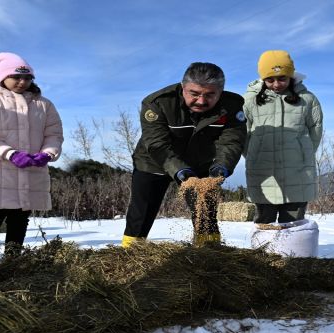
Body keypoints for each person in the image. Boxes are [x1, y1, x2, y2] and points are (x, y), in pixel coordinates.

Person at [121, 62, 246, 247]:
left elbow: (231, 142)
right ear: (183, 87)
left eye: (210, 95)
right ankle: (129, 252)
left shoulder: (232, 106)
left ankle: (210, 252)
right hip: (154, 161)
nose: (201, 101)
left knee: (206, 211)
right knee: (141, 213)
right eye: (194, 94)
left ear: (221, 91)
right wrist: (181, 171)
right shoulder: (158, 103)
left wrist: (221, 167)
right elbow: (157, 144)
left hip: (200, 163)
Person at [0, 52, 64, 258]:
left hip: (30, 171)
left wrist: (47, 153)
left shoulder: (43, 104)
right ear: (2, 77)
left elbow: (54, 134)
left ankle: (12, 261)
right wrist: (9, 153)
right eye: (16, 77)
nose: (22, 82)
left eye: (27, 78)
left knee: (20, 218)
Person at [243, 50, 323, 225]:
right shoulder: (249, 100)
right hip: (262, 171)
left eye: (282, 78)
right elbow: (243, 133)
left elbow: (315, 130)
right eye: (270, 79)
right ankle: (262, 254)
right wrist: (253, 155)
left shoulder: (307, 99)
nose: (276, 84)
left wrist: (304, 152)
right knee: (265, 224)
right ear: (262, 78)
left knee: (293, 226)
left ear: (291, 76)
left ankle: (294, 254)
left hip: (298, 171)